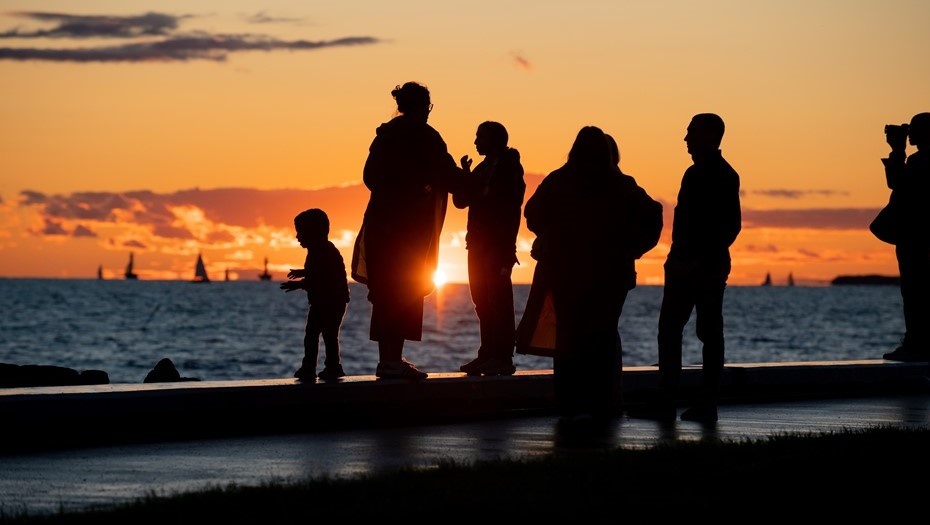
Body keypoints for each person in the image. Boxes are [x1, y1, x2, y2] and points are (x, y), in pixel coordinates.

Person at [522, 126, 662, 423]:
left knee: (567, 339)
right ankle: (604, 402)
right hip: (609, 276)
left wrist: (548, 234)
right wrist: (632, 249)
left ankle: (569, 403)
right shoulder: (620, 184)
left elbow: (532, 213)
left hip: (565, 274)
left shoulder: (558, 180)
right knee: (602, 337)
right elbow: (654, 216)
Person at [630, 113, 741, 424]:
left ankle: (705, 403)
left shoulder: (723, 175)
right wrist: (676, 257)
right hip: (683, 264)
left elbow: (730, 226)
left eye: (691, 132)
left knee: (707, 332)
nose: (686, 139)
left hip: (704, 266)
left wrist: (700, 259)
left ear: (710, 136)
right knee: (671, 330)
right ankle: (670, 400)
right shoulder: (693, 174)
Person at [351, 81, 464, 380]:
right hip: (410, 230)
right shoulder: (426, 137)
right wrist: (470, 181)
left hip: (380, 224)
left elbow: (369, 177)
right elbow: (448, 175)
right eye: (427, 106)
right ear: (423, 107)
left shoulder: (385, 136)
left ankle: (388, 361)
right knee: (403, 292)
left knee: (385, 293)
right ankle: (392, 363)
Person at [454, 121, 526, 376]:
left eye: (480, 137)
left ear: (494, 139)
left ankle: (502, 357)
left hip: (497, 246)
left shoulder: (509, 168)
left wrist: (507, 250)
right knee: (482, 301)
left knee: (498, 301)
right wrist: (465, 176)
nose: (475, 142)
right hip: (477, 244)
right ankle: (487, 353)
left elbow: (507, 207)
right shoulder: (483, 168)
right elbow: (461, 201)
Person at [880, 113, 930, 362]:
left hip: (916, 237)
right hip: (916, 235)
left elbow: (898, 183)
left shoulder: (921, 161)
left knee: (914, 291)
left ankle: (916, 344)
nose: (909, 133)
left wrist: (897, 151)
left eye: (914, 129)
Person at [281, 208, 351, 381]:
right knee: (317, 334)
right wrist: (303, 272)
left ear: (313, 232)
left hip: (330, 302)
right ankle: (317, 366)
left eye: (300, 232)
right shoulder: (319, 250)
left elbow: (321, 278)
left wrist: (299, 284)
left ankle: (325, 367)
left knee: (323, 334)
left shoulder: (323, 251)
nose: (297, 237)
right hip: (325, 302)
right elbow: (317, 272)